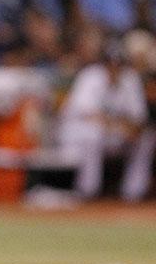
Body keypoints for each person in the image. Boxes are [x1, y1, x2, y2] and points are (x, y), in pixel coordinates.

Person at [56, 38, 154, 202]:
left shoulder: (130, 79)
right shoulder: (90, 76)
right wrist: (119, 126)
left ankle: (133, 194)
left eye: (118, 64)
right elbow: (88, 115)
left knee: (147, 138)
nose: (114, 67)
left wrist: (130, 129)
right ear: (104, 64)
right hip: (78, 134)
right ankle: (88, 192)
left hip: (113, 134)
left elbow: (138, 117)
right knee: (93, 134)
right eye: (110, 63)